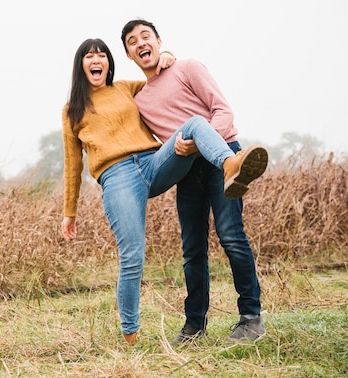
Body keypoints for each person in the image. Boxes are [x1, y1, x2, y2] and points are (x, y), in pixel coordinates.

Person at [61, 38, 268, 345]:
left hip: (152, 162)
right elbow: (72, 164)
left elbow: (157, 78)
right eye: (90, 56)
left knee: (194, 122)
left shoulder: (125, 89)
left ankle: (230, 164)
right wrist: (69, 213)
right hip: (116, 177)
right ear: (81, 65)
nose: (97, 60)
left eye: (102, 55)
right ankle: (130, 335)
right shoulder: (72, 111)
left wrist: (168, 56)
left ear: (109, 62)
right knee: (132, 256)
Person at [120, 18, 268, 344]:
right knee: (192, 251)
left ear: (159, 41)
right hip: (187, 172)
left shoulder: (187, 67)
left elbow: (223, 110)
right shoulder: (139, 101)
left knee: (230, 235)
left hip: (222, 158)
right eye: (132, 41)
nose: (141, 42)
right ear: (129, 55)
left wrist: (205, 140)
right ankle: (194, 327)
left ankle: (251, 318)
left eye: (146, 36)